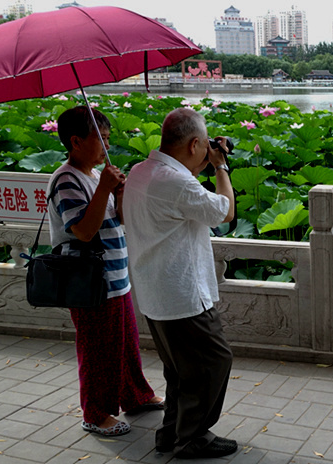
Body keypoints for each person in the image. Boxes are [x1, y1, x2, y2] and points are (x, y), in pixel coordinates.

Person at [122, 107, 237, 459]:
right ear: (194, 144)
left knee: (180, 371)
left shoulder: (141, 172)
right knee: (215, 361)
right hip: (183, 297)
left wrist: (203, 162)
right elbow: (225, 212)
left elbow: (183, 194)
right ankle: (192, 438)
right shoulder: (175, 183)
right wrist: (220, 167)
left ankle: (170, 433)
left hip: (155, 294)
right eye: (203, 146)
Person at [48, 106, 164, 437]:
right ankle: (95, 413)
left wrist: (119, 193)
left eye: (109, 138)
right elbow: (83, 231)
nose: (107, 146)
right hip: (89, 281)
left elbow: (119, 220)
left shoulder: (95, 176)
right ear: (75, 142)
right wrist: (103, 190)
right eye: (100, 139)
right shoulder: (66, 179)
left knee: (125, 341)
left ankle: (135, 395)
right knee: (97, 348)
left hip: (115, 276)